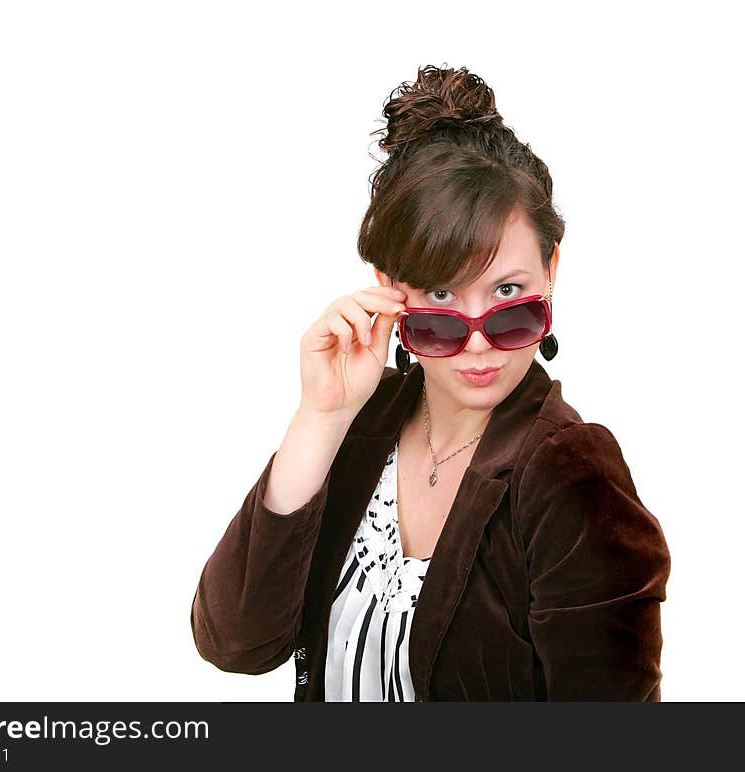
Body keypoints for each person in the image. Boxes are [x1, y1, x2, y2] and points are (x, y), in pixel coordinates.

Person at [190, 64, 671, 701]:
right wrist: (321, 416)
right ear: (392, 288)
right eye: (442, 298)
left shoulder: (570, 474)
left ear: (551, 270)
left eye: (508, 296)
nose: (476, 340)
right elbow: (236, 643)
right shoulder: (362, 426)